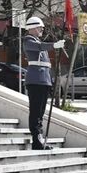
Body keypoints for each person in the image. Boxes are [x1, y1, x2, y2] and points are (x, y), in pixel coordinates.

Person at [22, 17, 64, 150]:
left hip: (43, 80)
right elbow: (40, 47)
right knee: (35, 112)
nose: (41, 30)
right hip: (35, 80)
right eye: (40, 28)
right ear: (33, 28)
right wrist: (54, 45)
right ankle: (36, 139)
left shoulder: (37, 41)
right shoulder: (28, 40)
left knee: (40, 112)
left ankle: (39, 138)